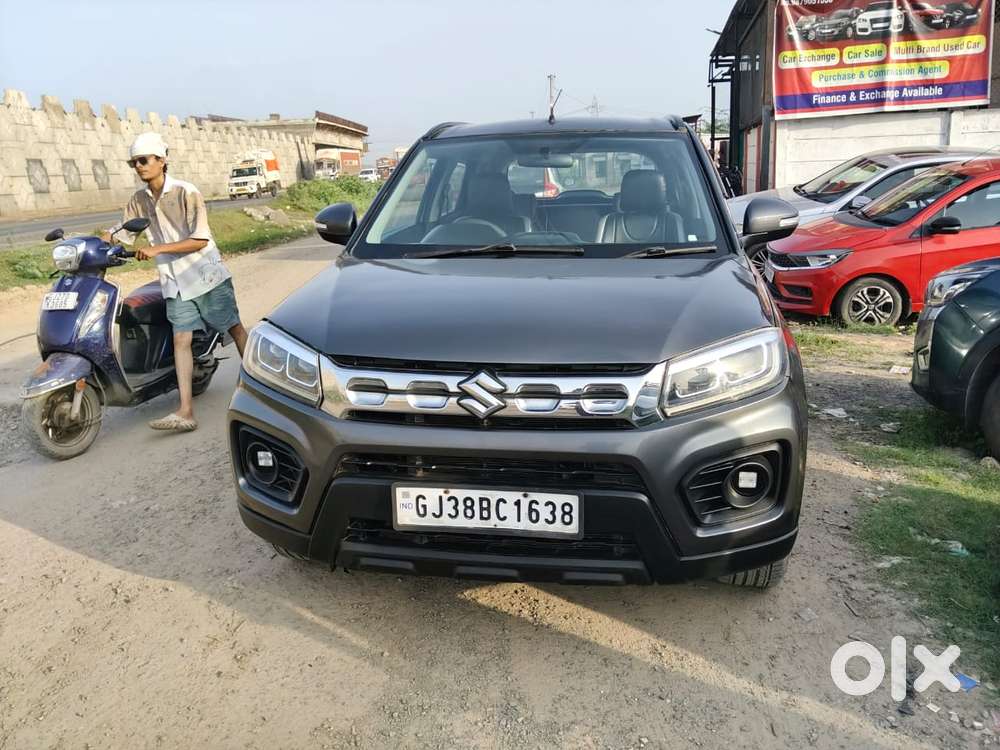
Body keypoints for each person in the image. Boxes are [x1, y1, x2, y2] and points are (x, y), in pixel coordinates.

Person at [107, 132, 247, 432]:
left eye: (144, 160)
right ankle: (185, 411)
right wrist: (92, 245)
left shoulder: (186, 192)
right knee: (180, 340)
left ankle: (258, 387)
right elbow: (120, 234)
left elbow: (199, 239)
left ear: (162, 160)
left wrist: (157, 249)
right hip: (174, 280)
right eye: (135, 162)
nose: (139, 166)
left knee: (233, 326)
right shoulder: (139, 200)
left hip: (204, 274)